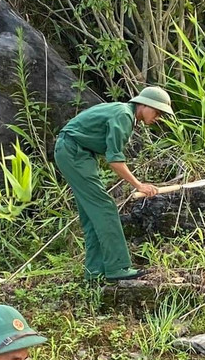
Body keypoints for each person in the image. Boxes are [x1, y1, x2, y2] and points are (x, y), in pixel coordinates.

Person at [53, 86, 174, 282]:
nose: (158, 117)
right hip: (74, 152)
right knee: (105, 208)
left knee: (92, 214)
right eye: (157, 112)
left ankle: (94, 272)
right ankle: (117, 267)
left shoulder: (122, 112)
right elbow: (115, 160)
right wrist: (139, 185)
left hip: (78, 153)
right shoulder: (124, 116)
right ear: (143, 105)